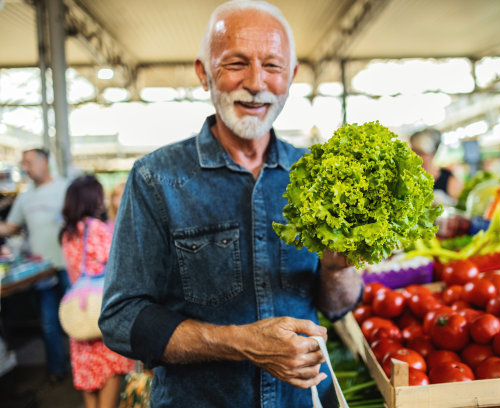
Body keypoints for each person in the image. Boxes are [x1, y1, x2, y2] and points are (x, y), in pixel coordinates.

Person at [99, 1, 363, 407]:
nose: (256, 83)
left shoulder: (318, 174)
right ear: (204, 73)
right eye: (236, 63)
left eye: (273, 67)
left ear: (291, 77)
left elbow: (337, 307)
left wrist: (337, 270)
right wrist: (242, 342)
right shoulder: (156, 178)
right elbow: (121, 319)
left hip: (305, 400)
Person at [59, 175, 134, 408]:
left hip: (80, 318)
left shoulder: (67, 234)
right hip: (101, 316)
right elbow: (119, 265)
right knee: (110, 378)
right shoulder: (96, 229)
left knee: (89, 382)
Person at [0, 148, 70, 382]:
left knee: (78, 318)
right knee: (49, 323)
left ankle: (86, 368)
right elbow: (10, 227)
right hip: (41, 271)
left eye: (29, 163)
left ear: (44, 162)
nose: (25, 168)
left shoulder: (66, 188)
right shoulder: (24, 198)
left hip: (70, 267)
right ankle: (57, 370)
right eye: (24, 164)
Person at [410, 128, 463, 205]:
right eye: (413, 151)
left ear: (434, 152)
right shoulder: (409, 179)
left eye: (421, 153)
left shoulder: (451, 181)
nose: (416, 156)